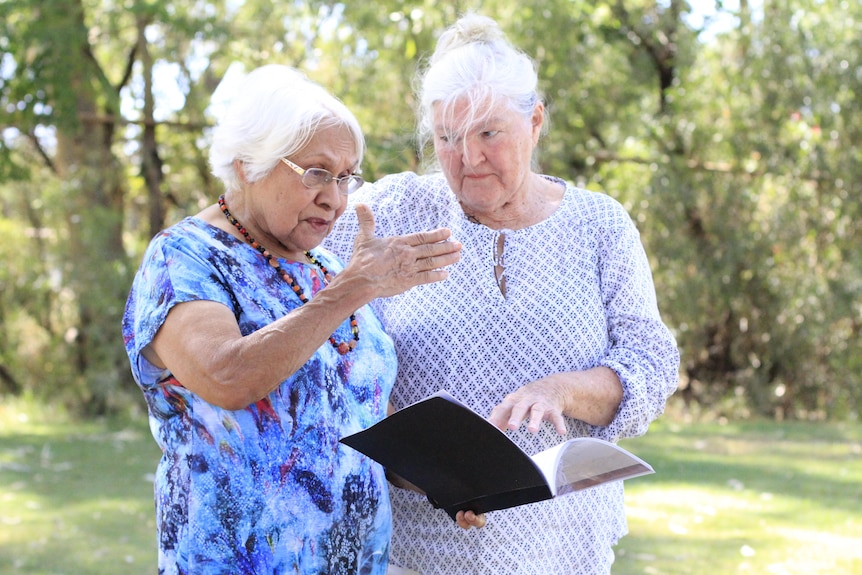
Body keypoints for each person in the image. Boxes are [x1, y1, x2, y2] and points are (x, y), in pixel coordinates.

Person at [323, 13, 680, 575]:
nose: (469, 158)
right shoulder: (392, 212)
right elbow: (298, 283)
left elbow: (652, 363)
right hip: (414, 550)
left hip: (564, 550)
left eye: (489, 133)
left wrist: (562, 390)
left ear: (535, 122)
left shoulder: (598, 224)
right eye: (448, 138)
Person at [121, 64, 463, 575]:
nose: (336, 197)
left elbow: (367, 422)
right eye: (317, 173)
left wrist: (452, 480)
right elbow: (227, 376)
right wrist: (354, 288)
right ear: (247, 164)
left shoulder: (330, 271)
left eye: (347, 177)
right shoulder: (185, 257)